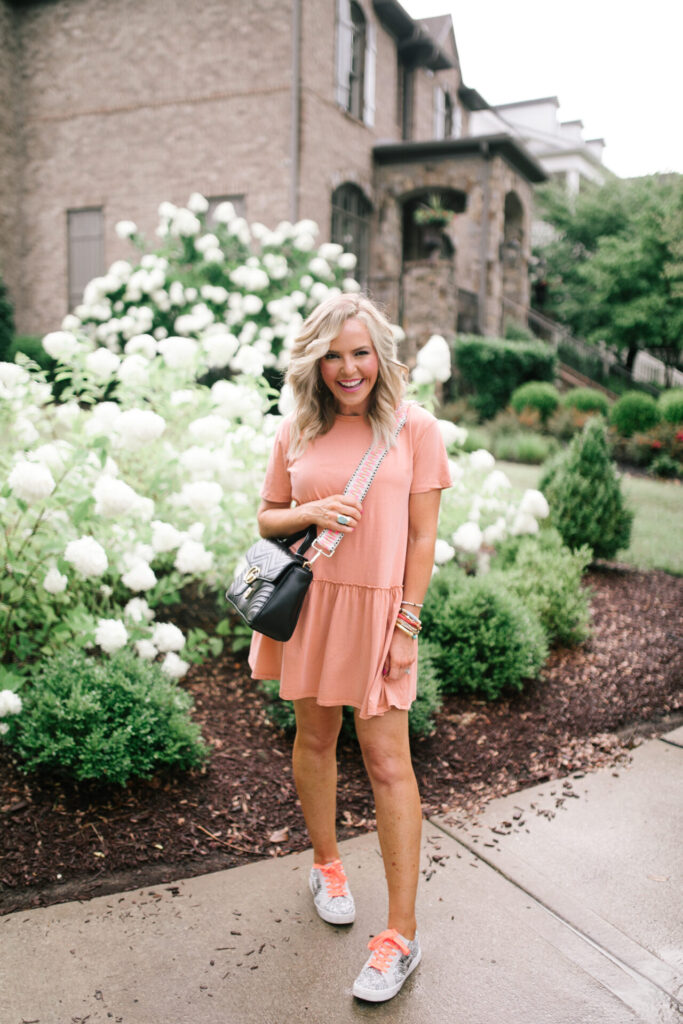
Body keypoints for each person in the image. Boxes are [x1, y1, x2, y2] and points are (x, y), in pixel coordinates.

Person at [248, 293, 451, 1002]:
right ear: (315, 361)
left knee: (389, 764)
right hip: (312, 607)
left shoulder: (414, 429)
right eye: (331, 355)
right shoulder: (297, 428)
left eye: (359, 352)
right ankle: (326, 864)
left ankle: (400, 935)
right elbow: (268, 516)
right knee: (314, 737)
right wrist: (308, 510)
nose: (346, 368)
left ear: (381, 355)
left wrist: (406, 626)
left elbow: (422, 536)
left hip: (380, 617)